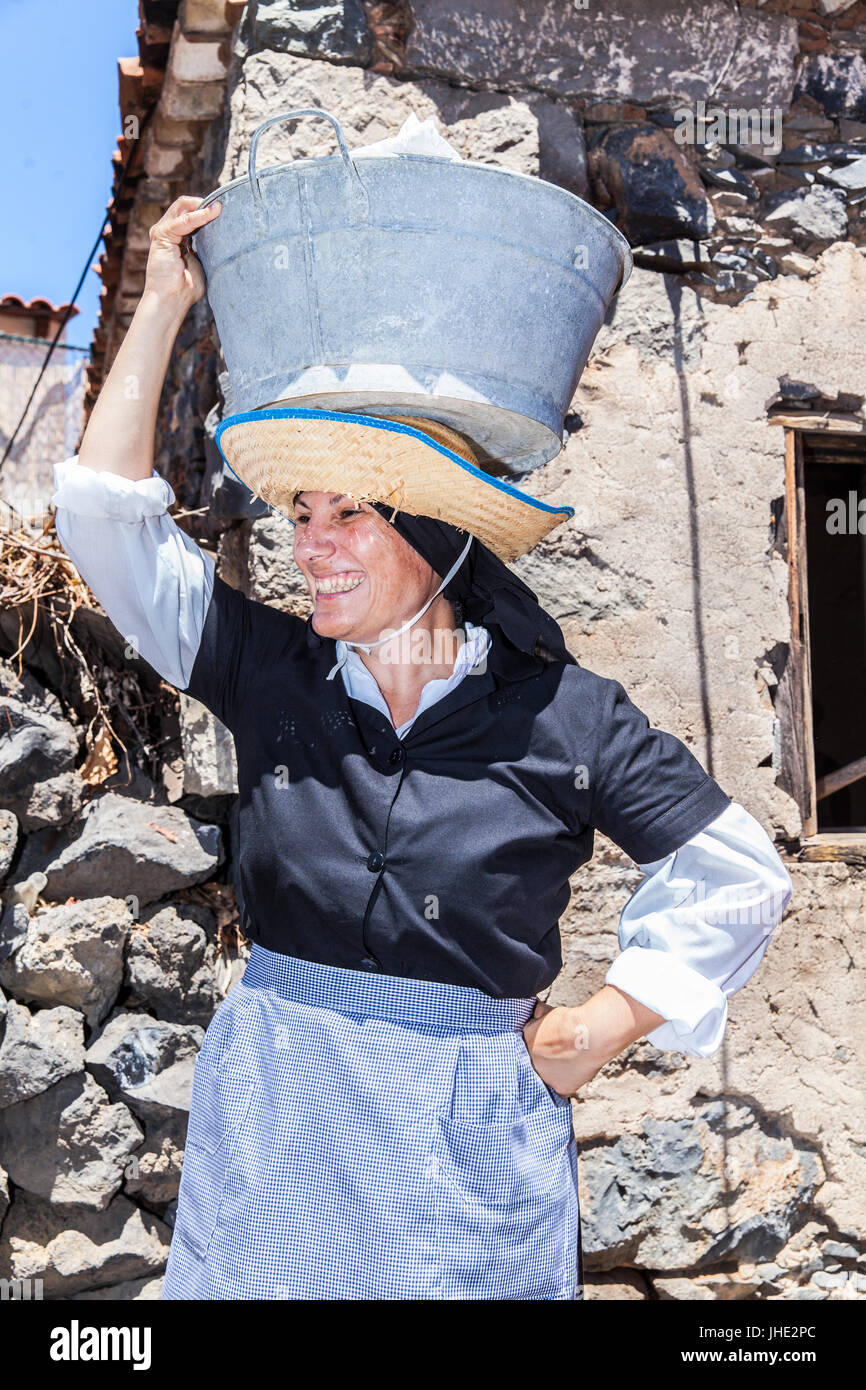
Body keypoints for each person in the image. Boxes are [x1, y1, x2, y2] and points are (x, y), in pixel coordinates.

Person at [50, 197, 793, 1301]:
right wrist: (163, 303)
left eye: (344, 513)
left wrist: (605, 1020)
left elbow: (735, 870)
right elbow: (106, 521)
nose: (309, 545)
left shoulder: (563, 717)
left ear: (437, 535)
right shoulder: (269, 671)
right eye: (299, 515)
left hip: (462, 1140)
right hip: (279, 1115)